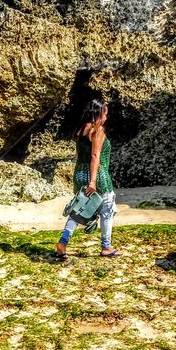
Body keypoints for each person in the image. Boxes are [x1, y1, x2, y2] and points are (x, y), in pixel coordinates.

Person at [55, 98, 119, 260]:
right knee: (107, 209)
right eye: (104, 114)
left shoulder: (80, 129)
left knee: (78, 209)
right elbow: (95, 155)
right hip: (97, 175)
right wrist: (93, 181)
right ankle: (106, 246)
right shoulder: (97, 131)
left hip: (79, 173)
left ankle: (63, 243)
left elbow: (81, 154)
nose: (106, 118)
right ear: (98, 113)